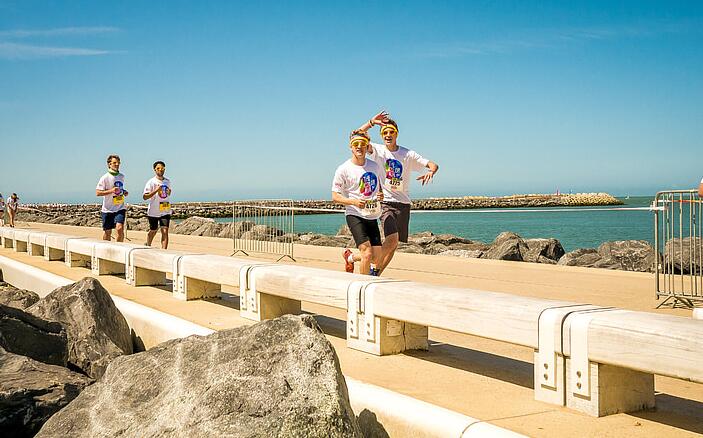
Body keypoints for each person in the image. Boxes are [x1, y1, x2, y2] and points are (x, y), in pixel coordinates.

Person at [343, 111, 439, 275]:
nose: (388, 135)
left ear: (397, 134)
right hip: (385, 202)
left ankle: (358, 261)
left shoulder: (408, 154)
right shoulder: (378, 151)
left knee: (393, 245)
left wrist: (431, 171)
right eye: (385, 132)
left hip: (403, 204)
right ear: (381, 135)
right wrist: (371, 123)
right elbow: (356, 137)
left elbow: (432, 164)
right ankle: (371, 268)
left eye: (391, 132)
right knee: (392, 239)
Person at [332, 130, 385, 276]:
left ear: (367, 146)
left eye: (363, 144)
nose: (359, 147)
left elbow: (378, 188)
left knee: (376, 256)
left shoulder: (374, 166)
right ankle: (362, 288)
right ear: (351, 147)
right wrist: (353, 202)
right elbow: (335, 196)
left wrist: (380, 195)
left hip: (371, 215)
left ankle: (349, 258)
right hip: (354, 214)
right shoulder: (343, 169)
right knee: (367, 253)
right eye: (356, 144)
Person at [95, 155, 128, 242]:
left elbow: (119, 189)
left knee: (119, 228)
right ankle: (105, 248)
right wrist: (111, 191)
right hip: (107, 209)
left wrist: (123, 191)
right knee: (107, 232)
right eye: (114, 163)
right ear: (109, 164)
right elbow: (98, 192)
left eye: (118, 162)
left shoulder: (122, 176)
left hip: (120, 207)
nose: (117, 164)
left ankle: (119, 249)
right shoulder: (105, 177)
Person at [143, 161, 172, 249]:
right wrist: (156, 190)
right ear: (155, 170)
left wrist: (169, 192)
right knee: (153, 230)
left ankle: (164, 251)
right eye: (158, 168)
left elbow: (168, 193)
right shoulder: (151, 182)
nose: (160, 170)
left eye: (162, 168)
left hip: (165, 210)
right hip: (153, 211)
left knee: (165, 231)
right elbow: (145, 197)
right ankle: (148, 244)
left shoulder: (167, 181)